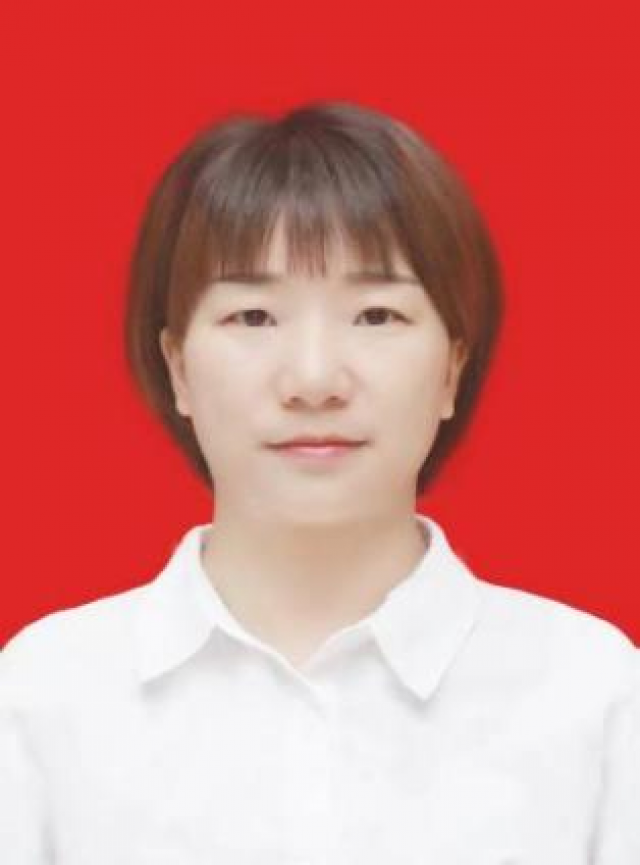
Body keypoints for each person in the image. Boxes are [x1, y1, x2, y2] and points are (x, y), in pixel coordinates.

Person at [1, 101, 638, 863]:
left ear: (451, 369)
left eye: (375, 315)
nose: (312, 379)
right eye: (252, 316)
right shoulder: (43, 697)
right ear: (178, 368)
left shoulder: (593, 694)